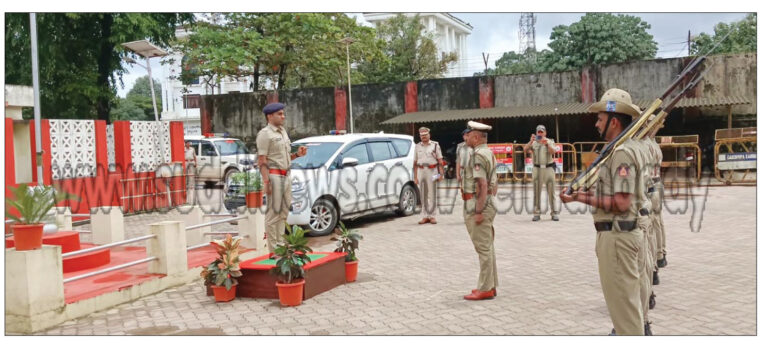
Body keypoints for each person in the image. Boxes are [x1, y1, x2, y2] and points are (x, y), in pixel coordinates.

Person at [559, 88, 652, 335]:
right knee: (630, 308)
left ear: (614, 120)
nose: (596, 124)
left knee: (625, 315)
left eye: (600, 119)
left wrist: (579, 197)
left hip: (618, 238)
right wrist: (580, 194)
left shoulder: (621, 153)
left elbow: (621, 202)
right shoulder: (629, 147)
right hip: (623, 233)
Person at [255, 102, 307, 254]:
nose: (283, 116)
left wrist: (297, 155)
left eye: (283, 113)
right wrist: (266, 182)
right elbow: (262, 160)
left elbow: (283, 158)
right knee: (273, 214)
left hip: (287, 175)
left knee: (283, 212)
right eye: (279, 114)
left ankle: (281, 245)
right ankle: (274, 250)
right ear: (269, 116)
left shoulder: (282, 132)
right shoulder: (265, 134)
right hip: (274, 176)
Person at [461, 121, 499, 301]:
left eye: (469, 134)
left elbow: (481, 184)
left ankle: (485, 288)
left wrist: (478, 210)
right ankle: (490, 285)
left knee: (483, 248)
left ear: (476, 137)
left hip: (478, 203)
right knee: (488, 246)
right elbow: (494, 182)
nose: (467, 137)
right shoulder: (488, 152)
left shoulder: (478, 156)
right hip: (488, 202)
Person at [524, 125, 559, 221]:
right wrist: (530, 141)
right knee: (536, 192)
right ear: (536, 133)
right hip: (537, 169)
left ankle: (554, 213)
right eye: (538, 132)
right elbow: (525, 149)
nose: (540, 133)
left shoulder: (550, 141)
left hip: (548, 168)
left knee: (552, 192)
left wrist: (547, 144)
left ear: (545, 133)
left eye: (541, 132)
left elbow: (553, 152)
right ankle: (536, 213)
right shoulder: (534, 142)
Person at [414, 127, 445, 224]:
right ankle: (425, 216)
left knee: (432, 194)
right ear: (420, 136)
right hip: (421, 171)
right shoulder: (417, 146)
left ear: (429, 135)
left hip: (433, 171)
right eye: (422, 135)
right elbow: (415, 162)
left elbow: (440, 161)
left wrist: (441, 174)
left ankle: (432, 216)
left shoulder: (435, 145)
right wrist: (415, 177)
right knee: (423, 195)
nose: (423, 137)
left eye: (425, 135)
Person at [456, 129, 471, 193]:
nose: (467, 136)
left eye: (468, 135)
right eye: (465, 135)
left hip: (473, 170)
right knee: (464, 190)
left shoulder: (476, 145)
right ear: (463, 137)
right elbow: (458, 161)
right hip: (463, 171)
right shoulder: (460, 146)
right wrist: (457, 174)